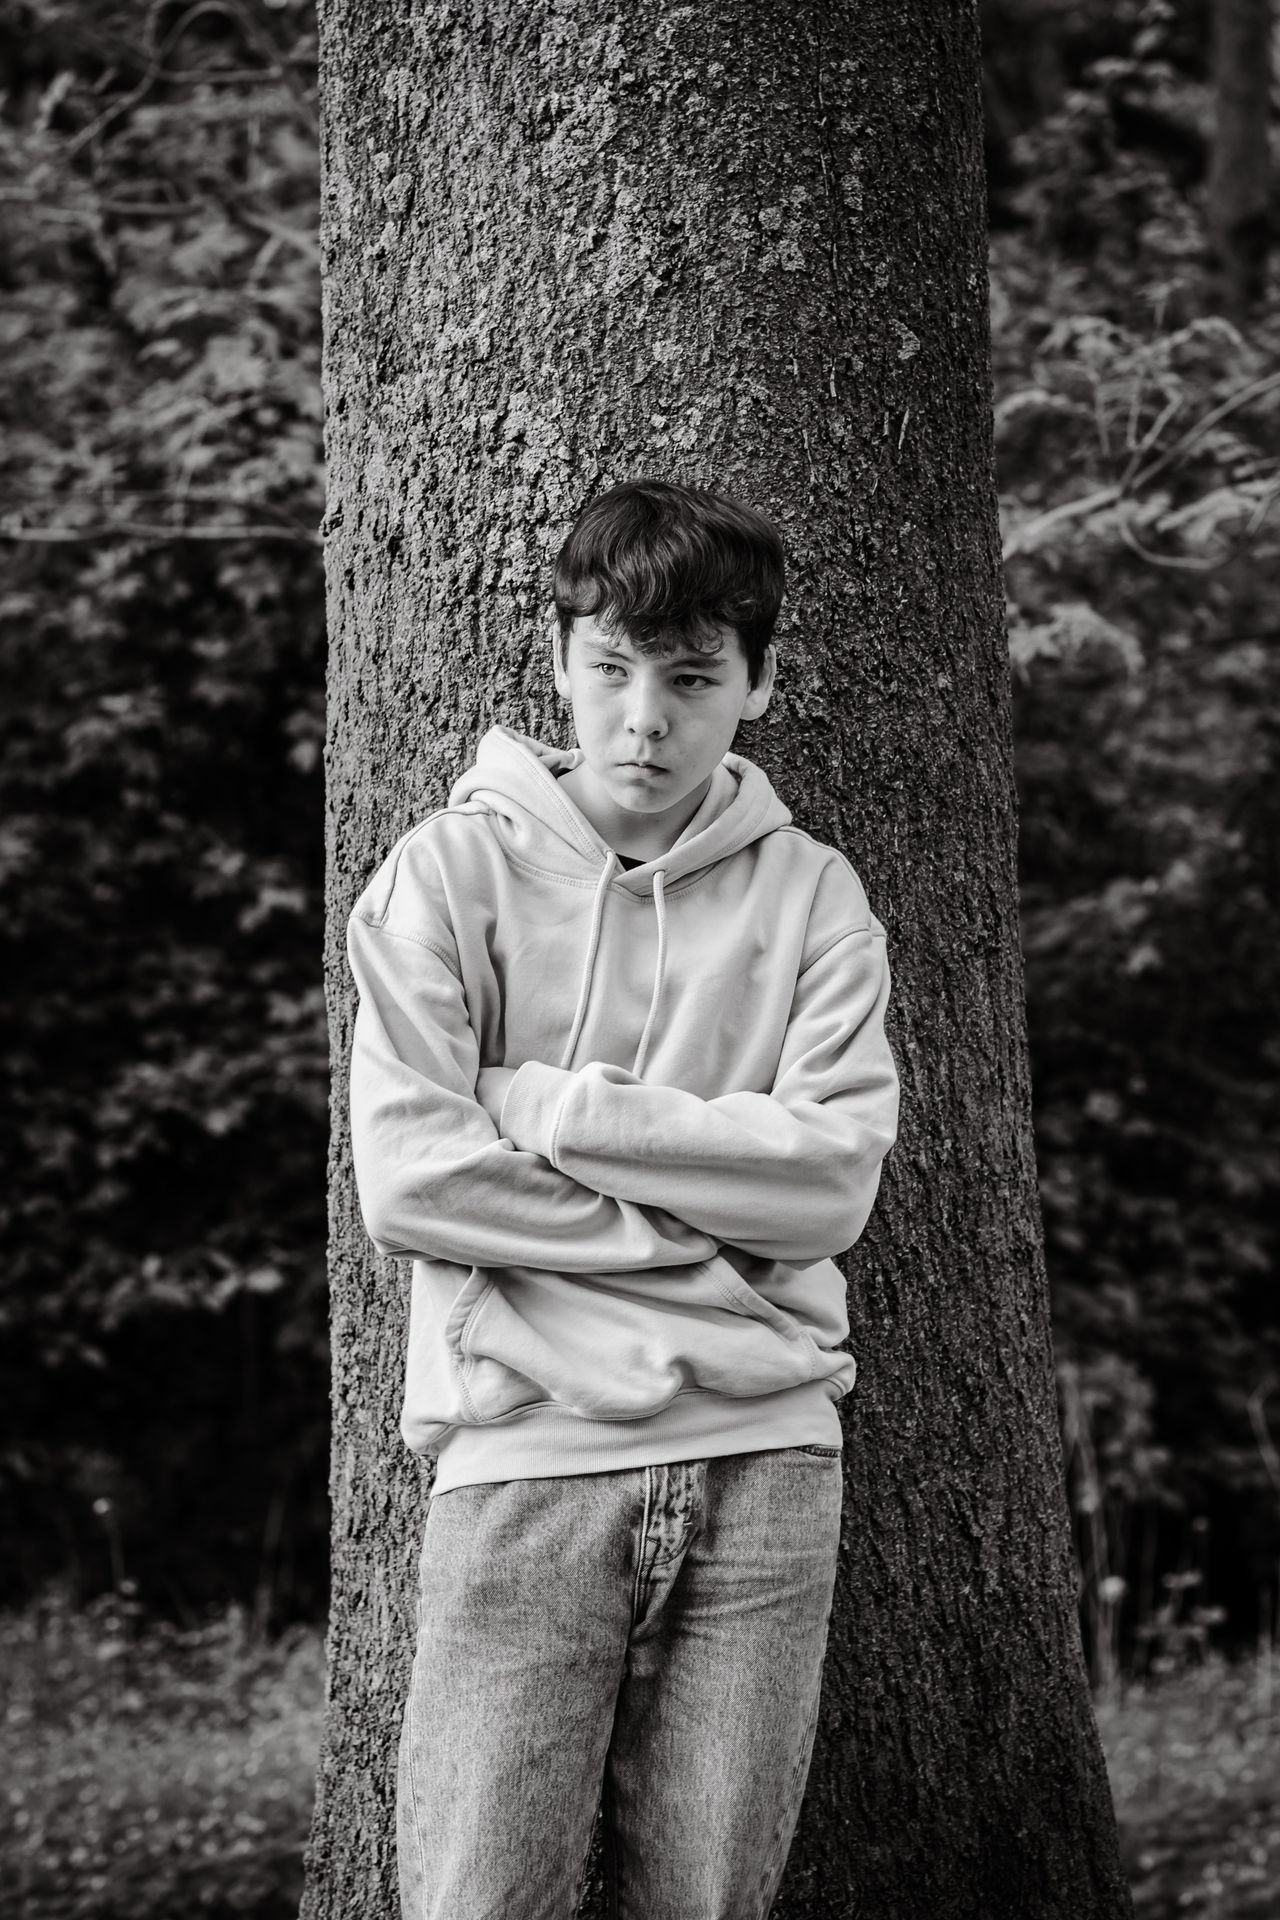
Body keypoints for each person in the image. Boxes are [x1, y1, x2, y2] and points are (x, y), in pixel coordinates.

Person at [345, 476, 901, 1920]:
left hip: (767, 1473)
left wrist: (545, 1107)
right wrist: (702, 1230)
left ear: (758, 685)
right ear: (558, 664)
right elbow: (410, 1179)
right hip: (522, 1462)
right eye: (612, 671)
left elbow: (831, 1181)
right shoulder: (446, 875)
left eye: (692, 679)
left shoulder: (814, 897)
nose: (645, 718)